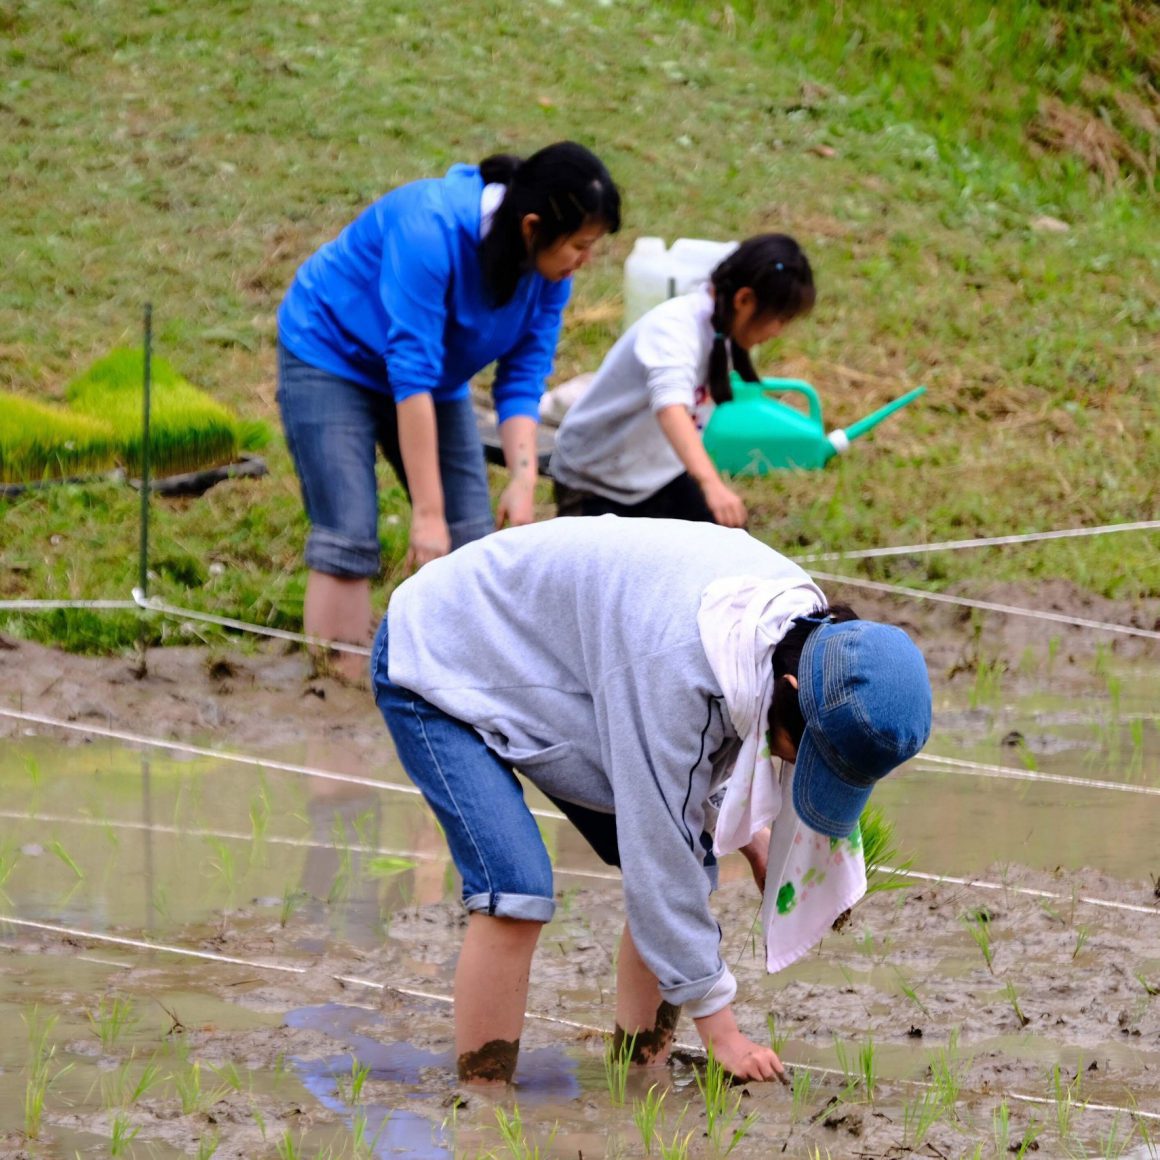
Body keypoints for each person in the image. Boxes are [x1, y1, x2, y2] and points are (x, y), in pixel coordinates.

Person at [371, 516, 932, 1084]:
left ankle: (637, 1079)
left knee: (686, 865)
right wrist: (724, 1035)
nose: (791, 768)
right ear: (791, 692)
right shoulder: (682, 666)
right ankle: (485, 1109)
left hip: (570, 671)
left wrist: (757, 844)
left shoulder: (801, 636)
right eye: (799, 755)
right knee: (517, 891)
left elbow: (692, 782)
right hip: (442, 654)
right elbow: (662, 862)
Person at [276, 142, 622, 678]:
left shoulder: (550, 276)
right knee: (349, 529)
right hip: (331, 353)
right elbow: (409, 372)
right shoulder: (429, 227)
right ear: (532, 227)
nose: (586, 260)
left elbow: (523, 378)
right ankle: (335, 690)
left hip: (435, 375)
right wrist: (426, 517)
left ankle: (453, 681)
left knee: (472, 541)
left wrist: (522, 481)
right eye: (580, 245)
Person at [550, 233, 814, 527]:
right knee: (616, 570)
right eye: (780, 319)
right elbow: (671, 408)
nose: (778, 331)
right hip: (593, 480)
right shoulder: (674, 328)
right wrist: (710, 483)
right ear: (744, 299)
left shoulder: (725, 330)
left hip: (657, 477)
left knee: (726, 544)